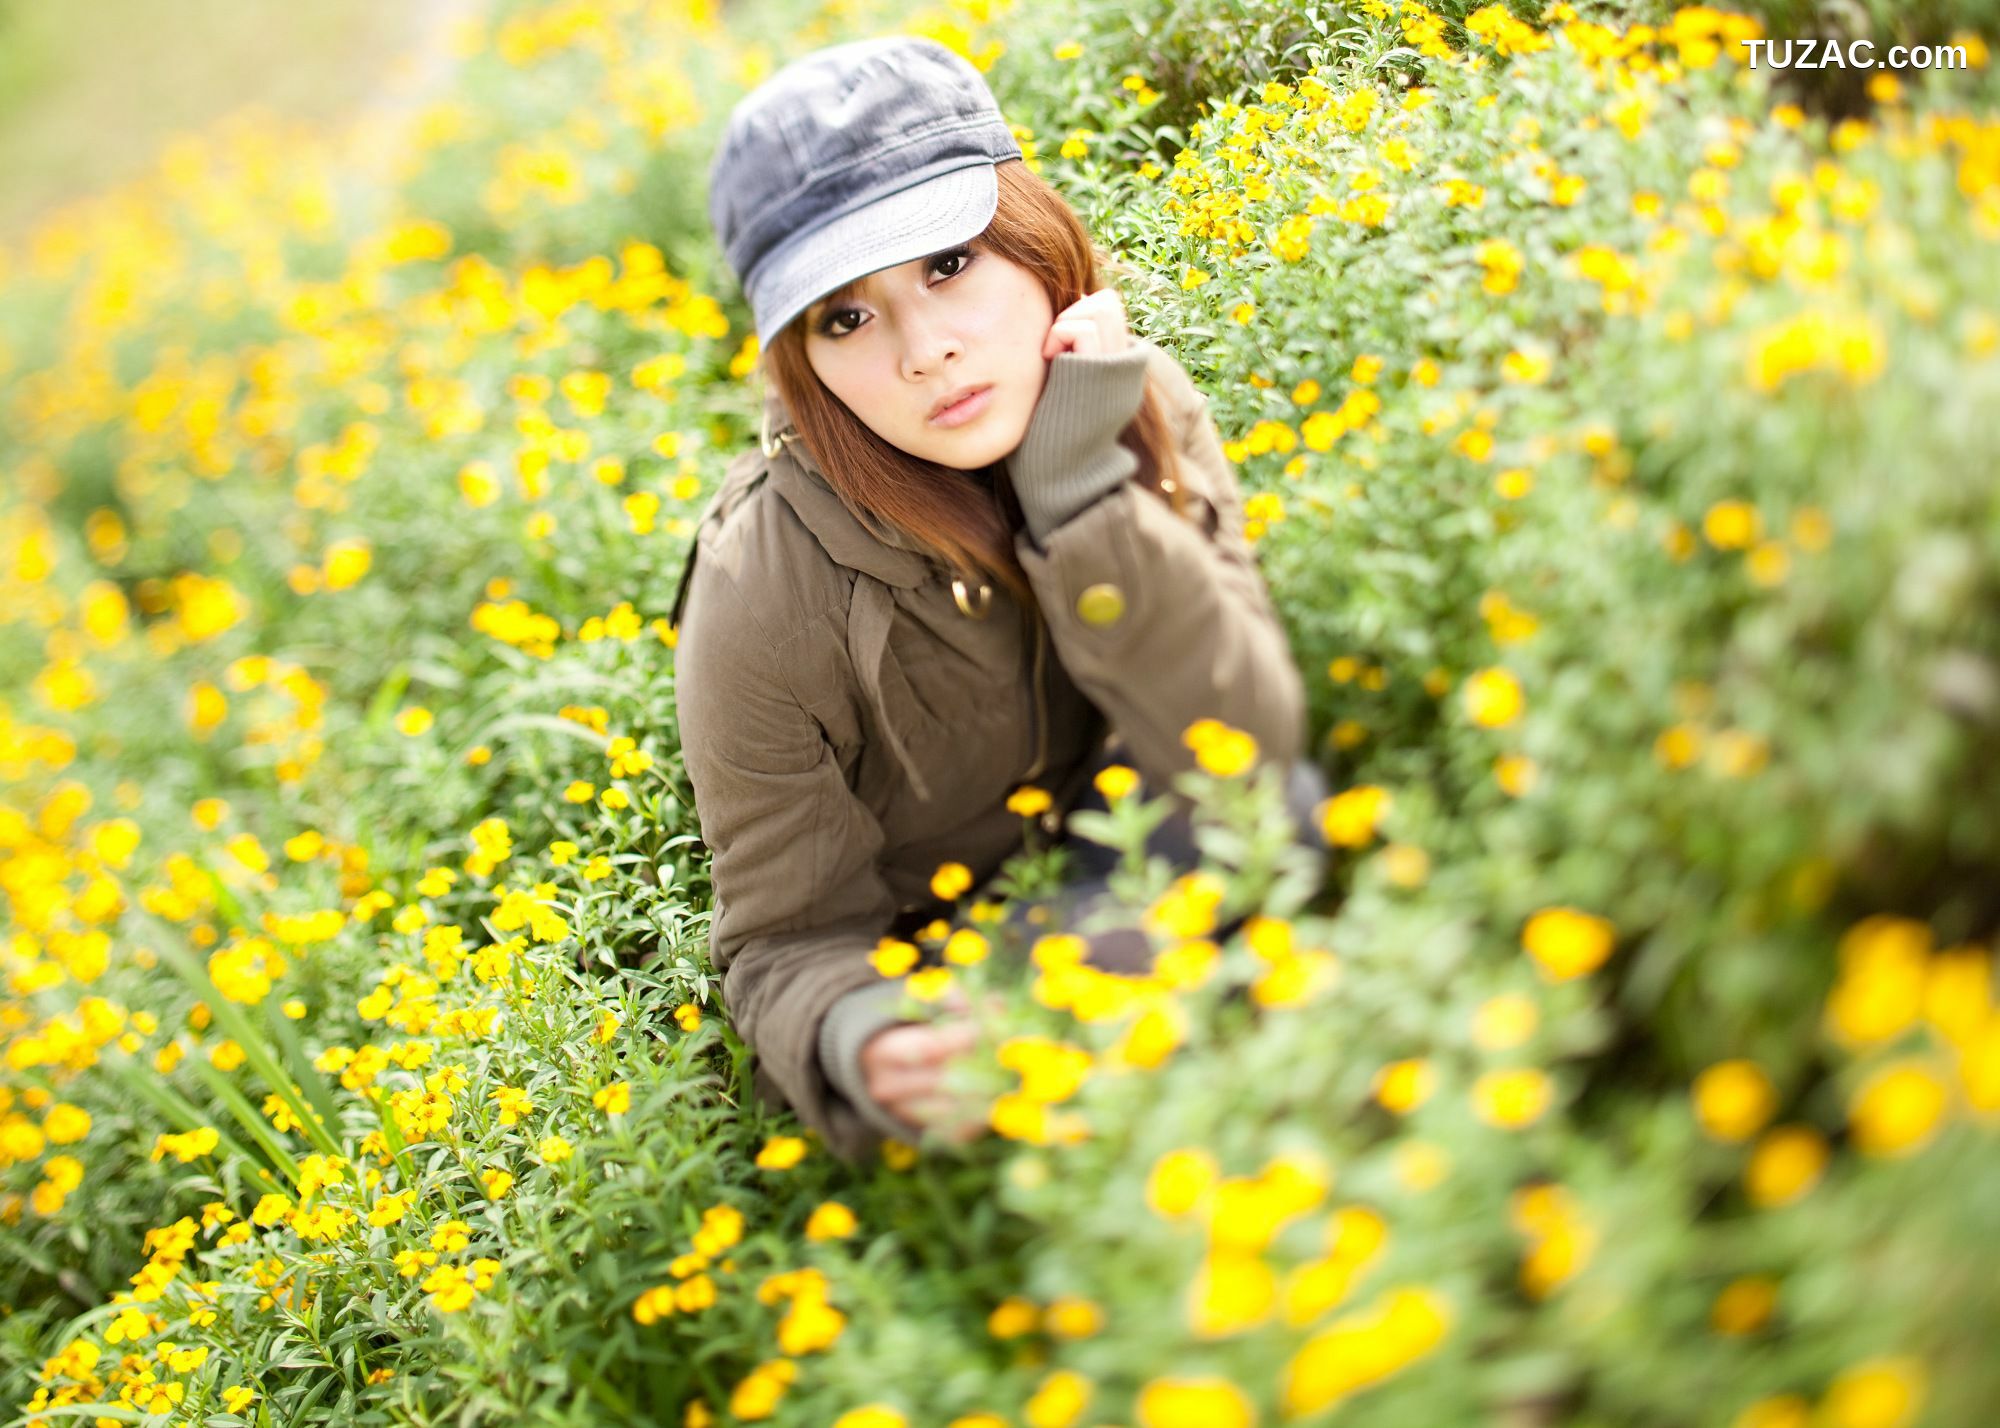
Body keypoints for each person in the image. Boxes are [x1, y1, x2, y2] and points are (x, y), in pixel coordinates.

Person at [671, 35, 1329, 1163]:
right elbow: (786, 939)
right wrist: (864, 1038)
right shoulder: (761, 591)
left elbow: (1245, 748)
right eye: (845, 317)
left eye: (947, 263)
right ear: (799, 361)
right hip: (961, 954)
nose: (927, 350)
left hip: (1128, 826)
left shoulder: (1138, 403)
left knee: (1282, 815)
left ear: (1032, 242)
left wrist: (1084, 494)